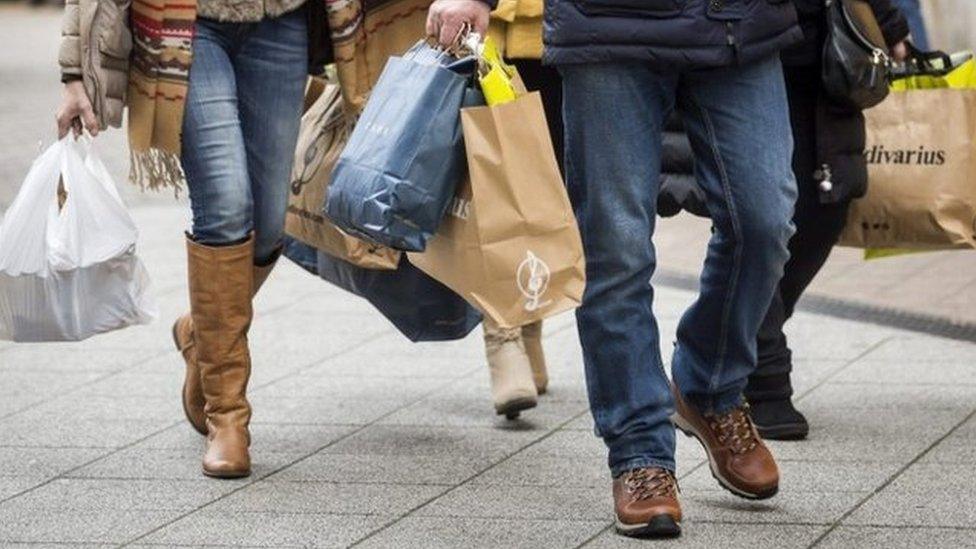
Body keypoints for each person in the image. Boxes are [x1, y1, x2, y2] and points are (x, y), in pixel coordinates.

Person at [429, 0, 802, 539]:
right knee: (617, 245)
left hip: (737, 21)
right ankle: (639, 449)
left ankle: (709, 385)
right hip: (607, 24)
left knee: (765, 222)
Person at [57, 0, 318, 478]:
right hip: (186, 22)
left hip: (283, 21)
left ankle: (200, 332)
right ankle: (228, 417)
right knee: (225, 206)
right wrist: (75, 72)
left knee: (268, 225)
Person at [745, 1, 910, 439]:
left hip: (827, 49)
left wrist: (888, 24)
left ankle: (732, 336)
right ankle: (764, 377)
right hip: (741, 50)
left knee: (826, 209)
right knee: (759, 217)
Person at [479, 0, 561, 420]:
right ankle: (503, 334)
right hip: (483, 22)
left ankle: (530, 321)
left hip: (567, 26)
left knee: (551, 181)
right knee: (497, 181)